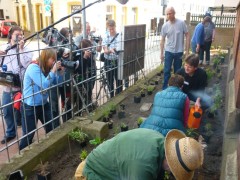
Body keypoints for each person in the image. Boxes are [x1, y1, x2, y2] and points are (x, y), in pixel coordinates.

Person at [75, 128, 204, 180]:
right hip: (90, 173)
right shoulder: (143, 166)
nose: (172, 174)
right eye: (175, 172)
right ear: (171, 165)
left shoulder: (159, 141)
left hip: (108, 165)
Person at [19, 48, 64, 150]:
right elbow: (44, 85)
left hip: (43, 104)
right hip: (30, 106)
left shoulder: (46, 69)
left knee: (52, 127)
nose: (53, 62)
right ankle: (22, 157)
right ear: (46, 58)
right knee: (29, 134)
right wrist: (53, 70)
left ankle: (52, 149)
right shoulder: (33, 68)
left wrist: (60, 73)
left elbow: (58, 82)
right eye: (52, 59)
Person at [0, 26, 33, 144]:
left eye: (21, 35)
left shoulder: (27, 49)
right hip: (7, 85)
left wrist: (21, 49)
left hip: (20, 86)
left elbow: (26, 64)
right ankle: (10, 133)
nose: (20, 37)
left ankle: (27, 135)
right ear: (10, 36)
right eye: (17, 35)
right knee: (7, 110)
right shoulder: (4, 49)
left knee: (23, 112)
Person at [160, 6, 190, 90]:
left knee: (178, 72)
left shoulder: (181, 23)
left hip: (179, 51)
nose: (169, 15)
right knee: (166, 71)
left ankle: (177, 88)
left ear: (174, 13)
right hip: (168, 51)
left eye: (170, 13)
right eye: (167, 14)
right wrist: (161, 53)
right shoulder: (165, 26)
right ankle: (165, 89)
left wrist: (187, 51)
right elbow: (162, 40)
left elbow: (187, 35)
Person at [102, 19, 123, 98]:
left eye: (112, 28)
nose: (111, 30)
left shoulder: (120, 35)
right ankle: (111, 97)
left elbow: (121, 46)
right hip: (108, 60)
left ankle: (119, 95)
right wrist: (110, 50)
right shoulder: (105, 36)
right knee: (110, 80)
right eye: (109, 29)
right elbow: (105, 50)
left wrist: (116, 49)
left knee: (119, 79)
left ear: (115, 26)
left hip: (117, 60)